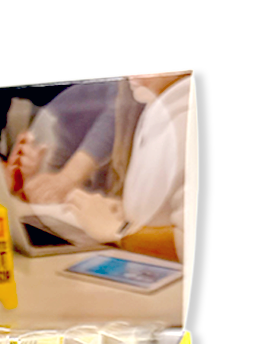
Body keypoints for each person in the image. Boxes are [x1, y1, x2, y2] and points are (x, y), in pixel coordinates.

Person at [65, 72, 193, 262]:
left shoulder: (187, 121)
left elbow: (188, 242)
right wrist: (129, 215)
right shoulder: (159, 108)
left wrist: (118, 231)